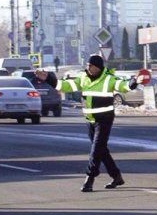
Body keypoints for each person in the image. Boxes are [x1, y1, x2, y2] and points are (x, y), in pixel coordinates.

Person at [36, 54, 141, 192]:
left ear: (97, 67)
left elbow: (123, 86)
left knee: (96, 150)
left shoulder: (109, 78)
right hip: (90, 119)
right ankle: (116, 176)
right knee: (101, 150)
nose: (88, 67)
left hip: (105, 119)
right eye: (87, 65)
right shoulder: (83, 78)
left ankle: (89, 179)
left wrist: (134, 82)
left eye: (90, 65)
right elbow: (65, 86)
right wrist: (49, 78)